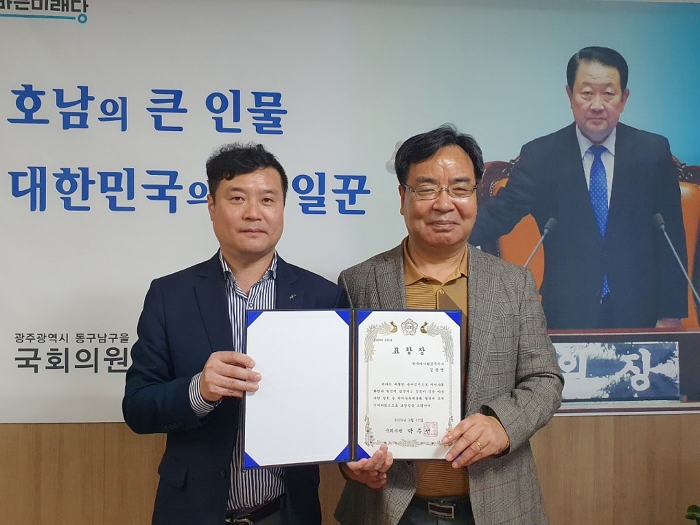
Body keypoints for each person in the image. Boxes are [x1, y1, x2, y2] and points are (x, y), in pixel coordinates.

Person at [334, 125, 564, 525]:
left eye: (460, 188)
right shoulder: (359, 281)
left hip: (496, 506)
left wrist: (502, 424)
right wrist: (349, 460)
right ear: (403, 198)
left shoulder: (513, 283)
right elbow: (339, 393)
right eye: (426, 189)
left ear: (475, 196)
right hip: (391, 507)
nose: (444, 204)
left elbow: (545, 379)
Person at [122, 143, 347, 525]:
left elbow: (340, 402)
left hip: (286, 512)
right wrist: (198, 390)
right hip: (193, 513)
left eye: (267, 199)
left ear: (283, 208)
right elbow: (138, 407)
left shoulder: (322, 296)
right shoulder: (170, 295)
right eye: (237, 198)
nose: (253, 213)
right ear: (212, 206)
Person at [469, 46, 688, 330]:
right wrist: (443, 234)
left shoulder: (652, 152)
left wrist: (670, 313)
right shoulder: (541, 156)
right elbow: (499, 214)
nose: (597, 104)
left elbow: (671, 237)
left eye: (608, 93)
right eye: (586, 93)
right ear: (570, 95)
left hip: (641, 314)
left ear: (624, 99)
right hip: (566, 314)